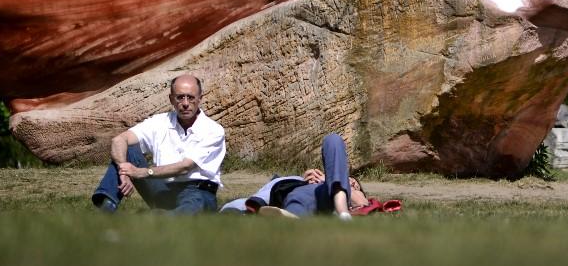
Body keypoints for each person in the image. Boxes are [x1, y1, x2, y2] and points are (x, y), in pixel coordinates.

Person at [91, 74, 226, 214]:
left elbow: (185, 167)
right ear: (171, 99)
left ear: (200, 99)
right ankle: (106, 206)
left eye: (190, 97)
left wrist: (142, 172)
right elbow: (119, 140)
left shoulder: (213, 130)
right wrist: (123, 170)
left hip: (198, 191)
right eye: (180, 97)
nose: (185, 103)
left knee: (189, 211)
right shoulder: (159, 122)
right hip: (163, 189)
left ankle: (158, 218)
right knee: (128, 150)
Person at [222, 133, 368, 220]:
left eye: (354, 183)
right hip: (304, 194)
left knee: (333, 140)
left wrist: (328, 180)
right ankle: (292, 219)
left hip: (331, 196)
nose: (352, 182)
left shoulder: (353, 190)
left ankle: (342, 210)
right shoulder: (300, 184)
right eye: (350, 179)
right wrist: (303, 181)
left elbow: (362, 203)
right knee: (333, 139)